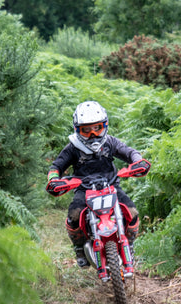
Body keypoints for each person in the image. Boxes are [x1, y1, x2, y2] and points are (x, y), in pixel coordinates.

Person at [46, 101, 149, 268]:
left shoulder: (110, 142)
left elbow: (129, 152)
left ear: (105, 126)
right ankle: (79, 249)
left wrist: (138, 161)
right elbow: (56, 166)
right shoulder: (72, 147)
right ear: (77, 130)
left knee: (133, 213)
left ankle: (129, 243)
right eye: (86, 130)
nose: (92, 134)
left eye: (97, 128)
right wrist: (53, 179)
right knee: (73, 216)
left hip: (111, 185)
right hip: (84, 189)